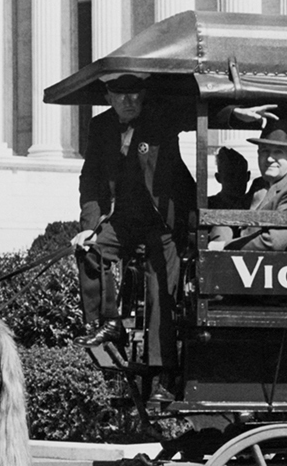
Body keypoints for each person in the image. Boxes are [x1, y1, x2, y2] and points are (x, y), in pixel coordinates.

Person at [71, 73, 195, 363]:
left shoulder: (161, 117)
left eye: (134, 93)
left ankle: (159, 374)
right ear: (108, 98)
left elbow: (196, 113)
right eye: (119, 94)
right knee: (91, 250)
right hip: (124, 218)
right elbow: (90, 178)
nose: (128, 101)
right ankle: (107, 322)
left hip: (163, 220)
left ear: (144, 95)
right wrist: (89, 227)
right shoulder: (100, 126)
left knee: (160, 293)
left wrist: (234, 113)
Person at [212, 126, 287, 251]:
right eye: (264, 151)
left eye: (278, 152)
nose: (269, 158)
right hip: (248, 263)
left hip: (284, 266)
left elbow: (274, 242)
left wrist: (224, 246)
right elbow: (233, 216)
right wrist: (219, 240)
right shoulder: (260, 183)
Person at [209, 146, 251, 212]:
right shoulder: (208, 206)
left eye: (240, 175)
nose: (236, 181)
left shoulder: (254, 205)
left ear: (248, 176)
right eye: (230, 176)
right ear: (218, 178)